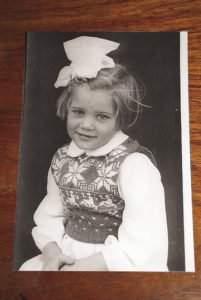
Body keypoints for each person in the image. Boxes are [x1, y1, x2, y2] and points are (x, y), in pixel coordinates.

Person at [19, 36, 168, 271]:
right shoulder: (63, 160)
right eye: (78, 112)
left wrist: (83, 268)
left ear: (120, 119)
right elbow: (50, 214)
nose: (86, 125)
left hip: (110, 263)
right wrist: (52, 252)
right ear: (65, 109)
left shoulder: (133, 164)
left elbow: (145, 241)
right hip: (65, 255)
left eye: (101, 116)